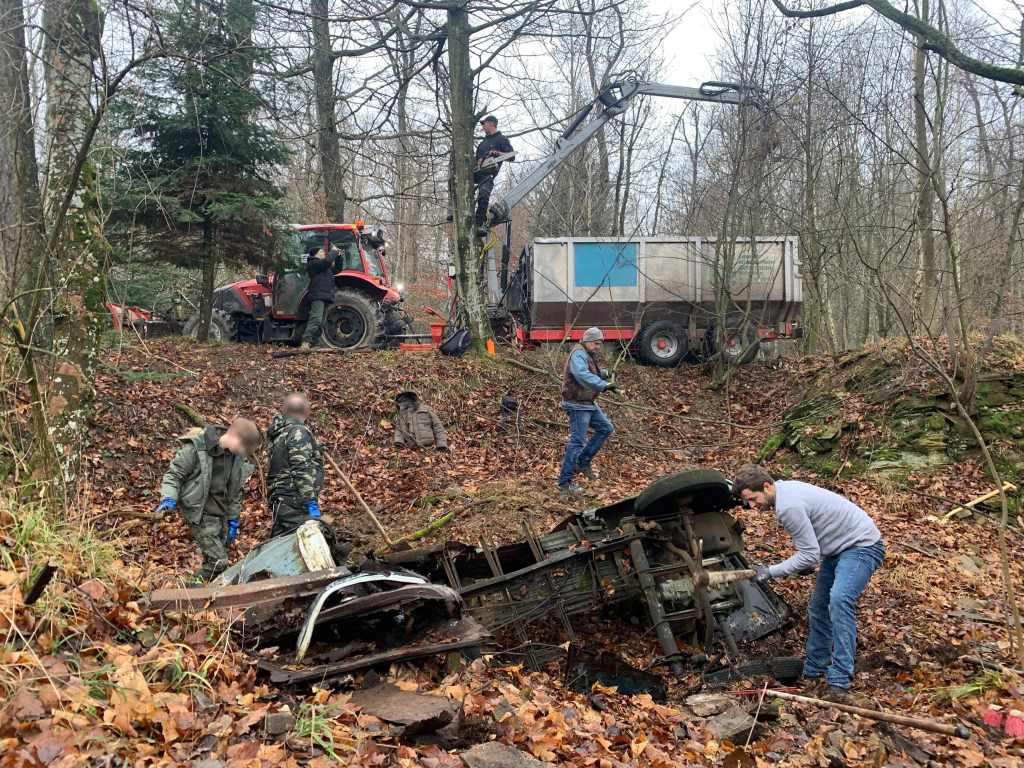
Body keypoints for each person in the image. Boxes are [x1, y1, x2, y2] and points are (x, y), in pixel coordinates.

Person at [732, 464, 885, 700]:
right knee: (818, 607)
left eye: (753, 499)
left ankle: (839, 681)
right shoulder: (784, 490)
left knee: (839, 600)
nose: (753, 507)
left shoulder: (788, 505)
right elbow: (812, 551)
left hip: (862, 546)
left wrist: (769, 571)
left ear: (766, 486)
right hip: (836, 550)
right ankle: (814, 670)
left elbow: (809, 555)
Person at [155, 418, 261, 582]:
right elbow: (174, 475)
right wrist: (169, 497)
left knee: (217, 556)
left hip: (222, 515)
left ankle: (207, 588)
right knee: (219, 562)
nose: (242, 453)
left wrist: (233, 519)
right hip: (200, 513)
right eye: (241, 448)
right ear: (234, 437)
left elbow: (235, 492)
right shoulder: (197, 448)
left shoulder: (236, 458)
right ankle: (190, 588)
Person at [557, 327, 617, 495]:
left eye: (600, 344)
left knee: (606, 428)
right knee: (577, 442)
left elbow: (588, 372)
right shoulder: (578, 353)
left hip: (587, 402)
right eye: (597, 343)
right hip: (577, 404)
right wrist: (603, 385)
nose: (598, 347)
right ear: (588, 341)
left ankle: (583, 462)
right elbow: (581, 374)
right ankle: (564, 484)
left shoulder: (586, 354)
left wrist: (604, 374)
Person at [266, 393, 326, 538]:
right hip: (294, 500)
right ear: (306, 412)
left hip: (281, 500)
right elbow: (301, 468)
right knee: (309, 539)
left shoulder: (280, 433)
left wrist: (316, 452)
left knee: (281, 543)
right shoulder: (298, 431)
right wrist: (310, 501)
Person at [474, 115, 514, 234]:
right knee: (457, 182)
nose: (483, 126)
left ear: (491, 124)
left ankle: (479, 224)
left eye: (484, 124)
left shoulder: (501, 139)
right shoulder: (483, 143)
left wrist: (497, 153)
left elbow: (512, 156)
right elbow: (477, 159)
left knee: (483, 195)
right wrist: (478, 161)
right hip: (477, 172)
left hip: (488, 174)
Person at [302, 245, 338, 349]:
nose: (324, 253)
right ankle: (306, 341)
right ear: (315, 254)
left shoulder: (323, 267)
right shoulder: (313, 263)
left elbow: (337, 269)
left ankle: (315, 343)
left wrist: (339, 257)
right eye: (322, 252)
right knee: (316, 319)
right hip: (318, 295)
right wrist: (334, 252)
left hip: (326, 295)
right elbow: (326, 262)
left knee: (322, 322)